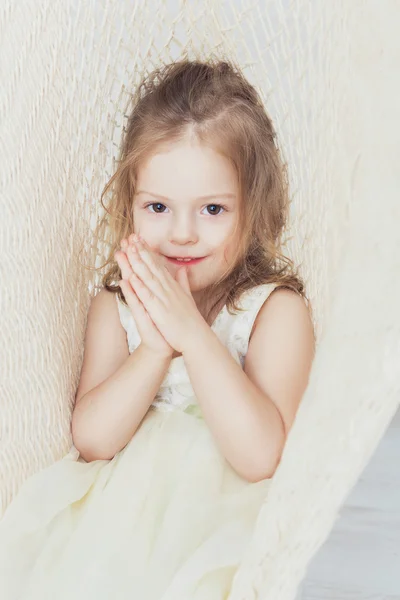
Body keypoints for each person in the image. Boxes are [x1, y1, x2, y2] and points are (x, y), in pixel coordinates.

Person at [0, 58, 315, 599]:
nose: (183, 233)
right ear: (130, 204)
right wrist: (152, 348)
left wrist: (191, 334)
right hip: (113, 525)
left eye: (213, 208)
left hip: (223, 523)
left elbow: (263, 457)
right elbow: (94, 440)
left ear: (255, 210)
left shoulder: (273, 311)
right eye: (158, 207)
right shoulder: (116, 307)